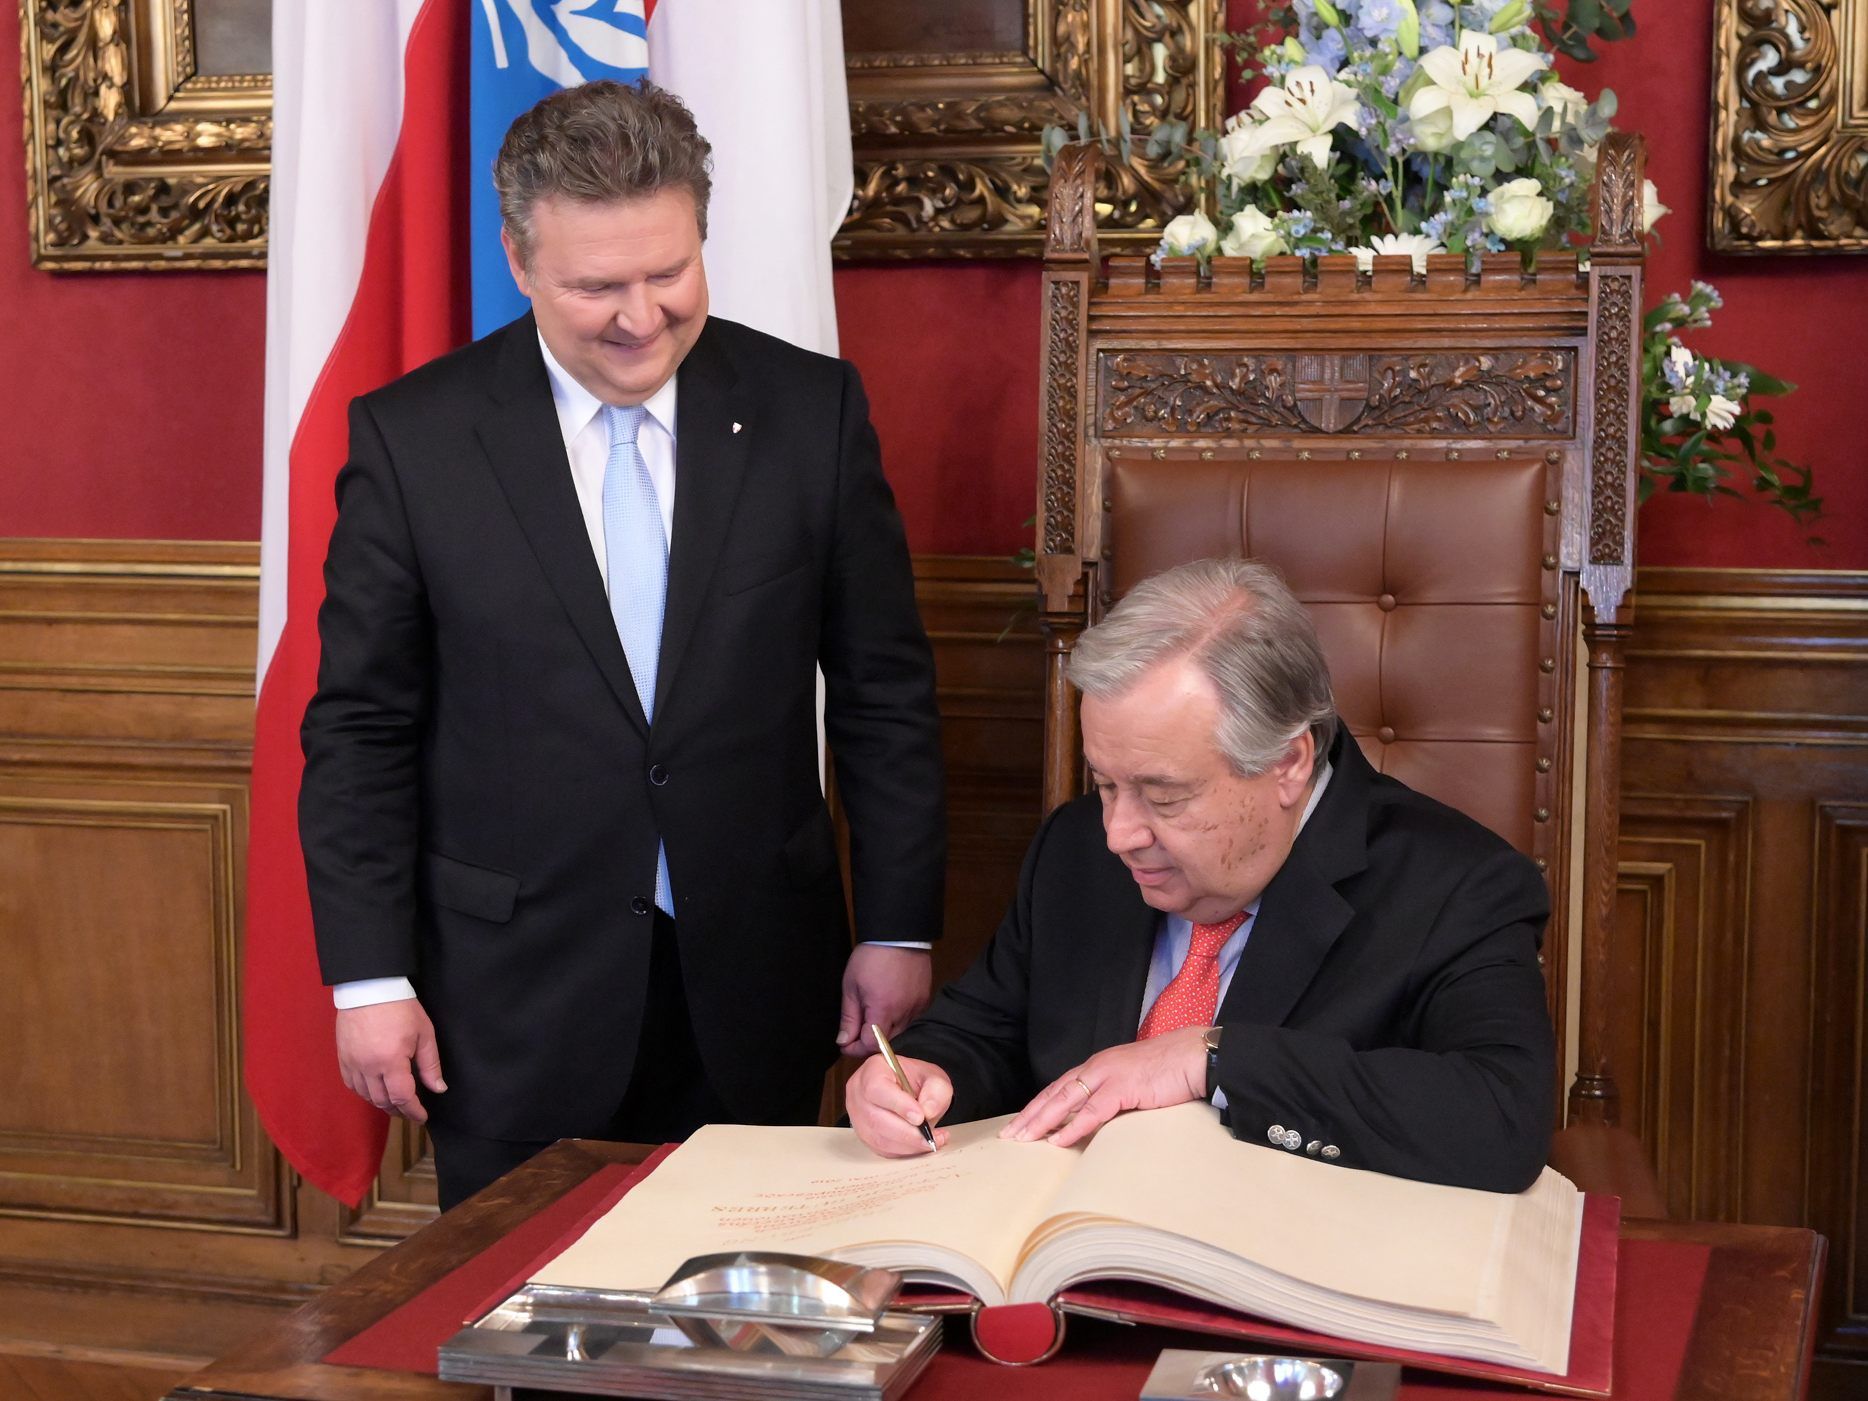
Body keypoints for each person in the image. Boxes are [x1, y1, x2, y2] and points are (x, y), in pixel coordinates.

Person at [299, 79, 946, 1210]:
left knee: (740, 1351)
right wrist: (368, 978)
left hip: (756, 975)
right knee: (530, 1344)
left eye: (669, 274)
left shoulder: (811, 413)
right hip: (507, 998)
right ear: (518, 259)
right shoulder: (415, 441)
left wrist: (897, 926)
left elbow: (882, 692)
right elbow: (360, 730)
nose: (640, 317)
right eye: (598, 286)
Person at [848, 557, 1554, 1193]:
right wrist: (919, 1078)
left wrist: (1212, 1059)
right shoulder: (1075, 852)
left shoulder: (1459, 886)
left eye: (1165, 796)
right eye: (1105, 784)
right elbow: (983, 1032)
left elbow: (1500, 1116)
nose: (1119, 833)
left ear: (1289, 763)